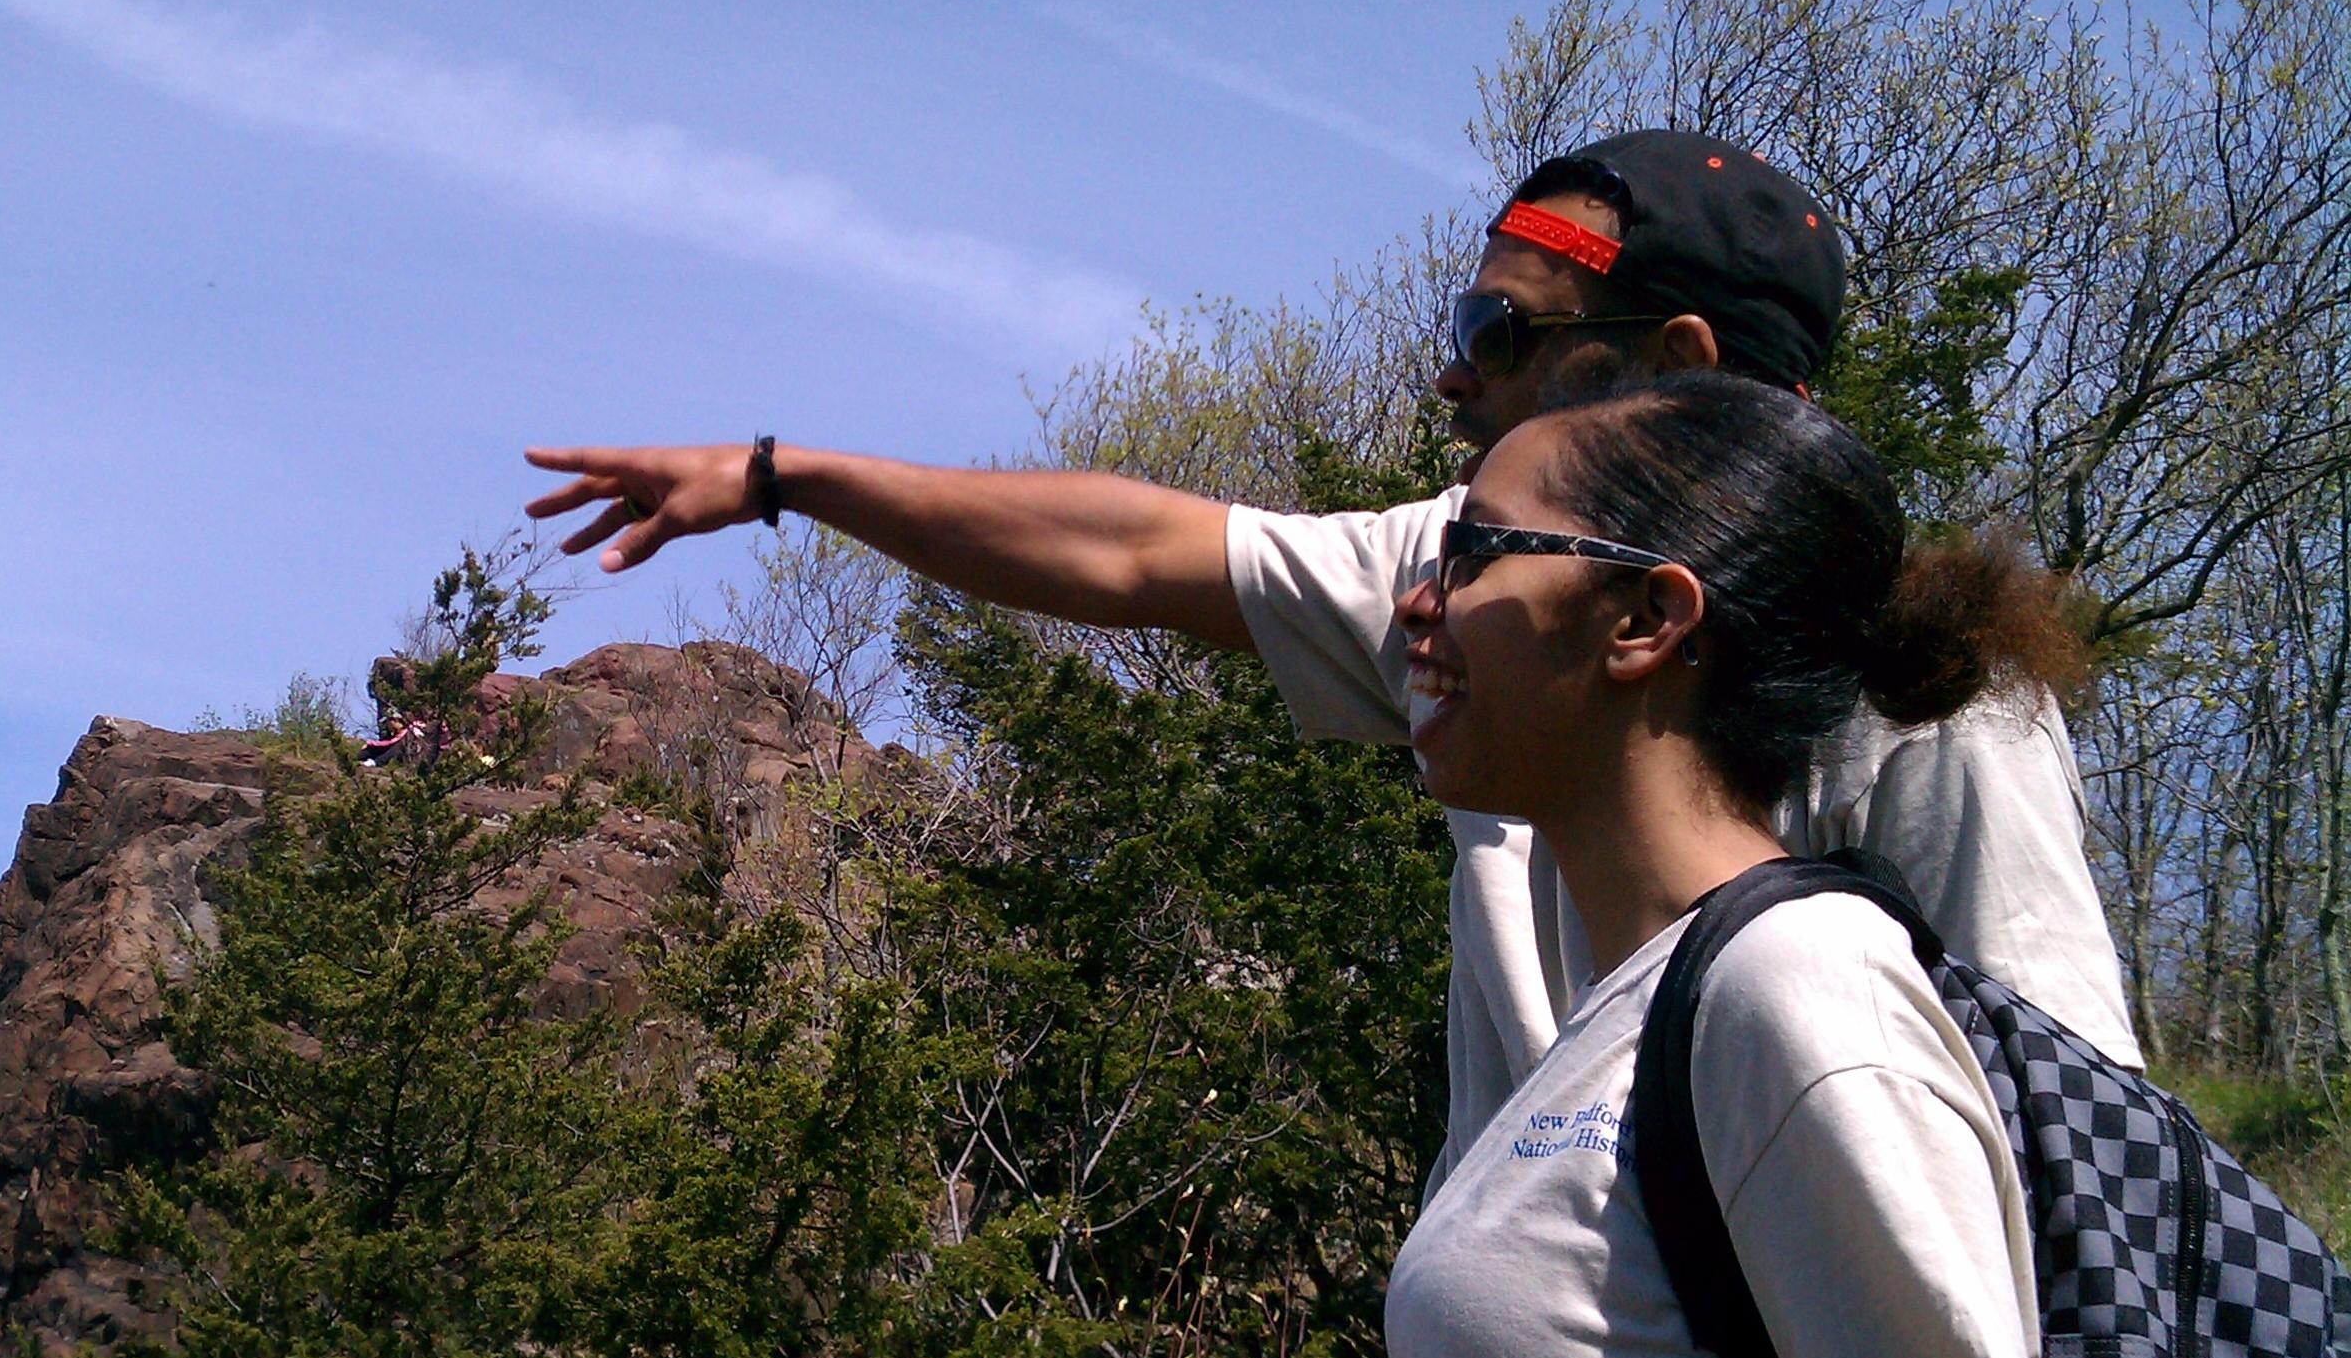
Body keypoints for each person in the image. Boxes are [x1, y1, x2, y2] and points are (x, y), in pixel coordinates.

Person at [523, 130, 2138, 1177]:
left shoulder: (1922, 693)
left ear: (1672, 366)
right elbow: (1135, 550)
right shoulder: (1471, 577)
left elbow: (2078, 1129)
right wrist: (774, 476)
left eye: (1494, 334)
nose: (1447, 381)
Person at [1378, 370, 2101, 1358]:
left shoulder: (1798, 992)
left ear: (1643, 621)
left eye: (1472, 552)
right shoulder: (1629, 1017)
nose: (1419, 602)